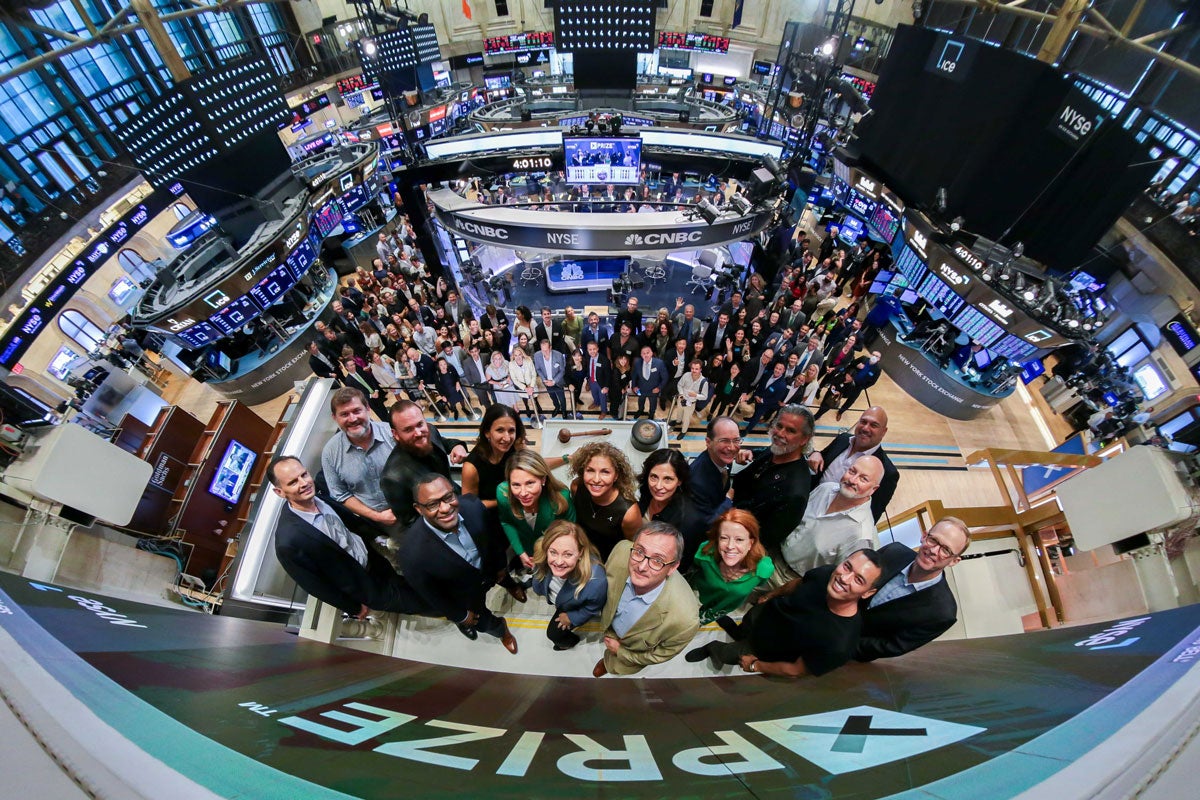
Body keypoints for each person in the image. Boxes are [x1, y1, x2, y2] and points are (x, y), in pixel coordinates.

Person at [685, 549, 884, 678]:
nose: (844, 578)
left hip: (765, 651)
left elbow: (796, 670)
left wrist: (756, 665)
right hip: (763, 616)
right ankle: (738, 632)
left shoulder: (840, 642)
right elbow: (798, 583)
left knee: (730, 653)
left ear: (868, 592)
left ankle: (713, 649)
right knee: (744, 626)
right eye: (847, 566)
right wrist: (771, 595)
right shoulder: (827, 573)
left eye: (858, 580)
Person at [269, 456, 427, 618]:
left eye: (304, 475)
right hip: (366, 588)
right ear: (280, 492)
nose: (304, 483)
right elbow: (314, 585)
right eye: (293, 482)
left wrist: (379, 538)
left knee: (416, 588)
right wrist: (353, 607)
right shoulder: (288, 542)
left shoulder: (321, 497)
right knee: (424, 604)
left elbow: (350, 523)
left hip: (377, 562)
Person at [399, 474, 520, 652]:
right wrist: (460, 616)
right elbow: (431, 594)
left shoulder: (473, 506)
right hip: (465, 597)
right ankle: (501, 631)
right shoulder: (411, 554)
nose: (446, 508)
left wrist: (501, 567)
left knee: (505, 578)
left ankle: (511, 586)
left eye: (448, 497)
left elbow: (492, 540)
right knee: (484, 623)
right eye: (433, 504)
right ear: (419, 509)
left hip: (491, 570)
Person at [594, 522, 701, 677]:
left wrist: (621, 652)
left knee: (617, 667)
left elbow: (660, 654)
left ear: (672, 567)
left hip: (631, 652)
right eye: (639, 551)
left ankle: (610, 666)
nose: (642, 567)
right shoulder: (621, 551)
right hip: (610, 629)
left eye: (657, 560)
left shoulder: (685, 621)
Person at [858, 518, 970, 661]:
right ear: (924, 536)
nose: (934, 551)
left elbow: (893, 646)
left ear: (954, 561)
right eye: (934, 540)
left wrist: (843, 646)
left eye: (946, 550)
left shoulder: (942, 613)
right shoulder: (893, 552)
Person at [776, 456, 883, 582]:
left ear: (873, 489)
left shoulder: (861, 536)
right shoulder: (825, 489)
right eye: (852, 471)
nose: (853, 480)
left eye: (863, 479)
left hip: (788, 580)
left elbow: (835, 578)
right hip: (772, 554)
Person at [732, 405, 814, 550]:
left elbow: (766, 539)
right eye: (779, 426)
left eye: (790, 431)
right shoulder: (777, 451)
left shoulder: (795, 493)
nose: (780, 433)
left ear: (804, 439)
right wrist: (748, 452)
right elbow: (763, 453)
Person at [320, 387, 398, 534]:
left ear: (367, 408)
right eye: (344, 414)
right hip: (377, 523)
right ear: (334, 418)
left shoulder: (392, 433)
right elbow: (340, 494)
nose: (353, 419)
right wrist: (378, 517)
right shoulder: (330, 453)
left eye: (357, 411)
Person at [380, 401, 469, 527]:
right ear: (396, 434)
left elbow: (442, 442)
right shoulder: (392, 478)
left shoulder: (430, 430)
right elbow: (410, 521)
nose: (418, 433)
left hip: (456, 497)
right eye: (408, 429)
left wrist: (457, 445)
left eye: (420, 424)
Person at [809, 406, 899, 523]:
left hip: (829, 524)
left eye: (874, 425)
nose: (866, 428)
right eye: (863, 422)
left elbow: (871, 515)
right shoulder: (843, 439)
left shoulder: (887, 472)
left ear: (884, 431)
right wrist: (816, 453)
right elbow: (821, 458)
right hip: (807, 504)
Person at [530, 520, 608, 651]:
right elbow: (539, 574)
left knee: (554, 634)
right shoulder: (542, 554)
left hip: (570, 609)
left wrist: (572, 617)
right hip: (559, 599)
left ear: (580, 553)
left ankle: (568, 642)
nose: (559, 562)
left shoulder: (595, 581)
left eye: (568, 554)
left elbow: (593, 607)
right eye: (553, 552)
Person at [688, 508, 774, 624]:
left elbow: (760, 582)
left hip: (716, 611)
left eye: (739, 539)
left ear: (750, 543)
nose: (730, 546)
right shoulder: (705, 555)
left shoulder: (763, 570)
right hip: (692, 599)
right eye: (724, 538)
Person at [496, 450, 576, 569]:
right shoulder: (503, 494)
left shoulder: (561, 498)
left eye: (530, 483)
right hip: (526, 549)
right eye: (516, 485)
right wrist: (520, 552)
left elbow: (570, 533)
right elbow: (507, 522)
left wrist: (550, 558)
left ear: (543, 479)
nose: (523, 493)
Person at [569, 441, 642, 560]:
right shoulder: (576, 487)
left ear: (616, 476)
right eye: (590, 470)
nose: (596, 479)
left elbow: (634, 547)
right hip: (579, 553)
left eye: (605, 472)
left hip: (607, 562)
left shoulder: (629, 513)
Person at [636, 449, 705, 572]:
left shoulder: (689, 520)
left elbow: (682, 564)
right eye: (654, 477)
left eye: (668, 479)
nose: (658, 486)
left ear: (679, 481)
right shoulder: (646, 494)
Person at [461, 404, 525, 510]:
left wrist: (562, 459)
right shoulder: (471, 468)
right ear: (487, 432)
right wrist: (505, 500)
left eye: (511, 430)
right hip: (490, 518)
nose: (507, 438)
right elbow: (469, 507)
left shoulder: (517, 446)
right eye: (500, 430)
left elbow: (534, 464)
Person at [689, 416, 745, 524]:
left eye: (736, 440)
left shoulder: (721, 457)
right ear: (708, 442)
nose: (732, 448)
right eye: (724, 441)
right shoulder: (696, 482)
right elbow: (706, 522)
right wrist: (728, 500)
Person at [742, 361, 789, 435]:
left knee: (757, 416)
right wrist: (756, 395)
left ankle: (747, 430)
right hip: (758, 398)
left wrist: (763, 400)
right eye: (776, 368)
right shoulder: (769, 373)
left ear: (783, 371)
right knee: (756, 411)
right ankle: (752, 418)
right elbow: (761, 384)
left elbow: (776, 399)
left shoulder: (782, 385)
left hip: (766, 404)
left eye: (780, 369)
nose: (777, 370)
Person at [833, 351, 882, 421]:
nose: (874, 357)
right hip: (849, 381)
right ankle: (835, 401)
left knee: (851, 400)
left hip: (859, 386)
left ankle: (840, 412)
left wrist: (863, 387)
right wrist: (857, 365)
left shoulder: (877, 369)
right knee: (841, 392)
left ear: (879, 359)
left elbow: (873, 382)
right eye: (873, 354)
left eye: (877, 356)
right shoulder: (863, 359)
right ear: (870, 355)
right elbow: (852, 363)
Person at [671, 359, 710, 439]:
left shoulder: (704, 382)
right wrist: (681, 394)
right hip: (681, 399)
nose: (694, 371)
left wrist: (696, 395)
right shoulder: (686, 375)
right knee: (679, 412)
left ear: (700, 369)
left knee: (686, 419)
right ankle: (678, 421)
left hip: (691, 403)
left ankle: (683, 431)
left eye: (696, 369)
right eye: (692, 368)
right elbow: (679, 385)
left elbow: (705, 396)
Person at [534, 337, 568, 418]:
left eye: (546, 350)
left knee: (562, 398)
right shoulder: (537, 355)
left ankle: (564, 410)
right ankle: (557, 407)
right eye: (542, 350)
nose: (544, 352)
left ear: (550, 347)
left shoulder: (559, 355)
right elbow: (538, 369)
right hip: (547, 383)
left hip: (558, 382)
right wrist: (544, 379)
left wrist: (554, 381)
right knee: (553, 397)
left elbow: (562, 371)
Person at [630, 344, 667, 418]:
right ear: (641, 354)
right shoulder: (637, 362)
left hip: (653, 390)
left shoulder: (659, 363)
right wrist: (634, 386)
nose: (646, 355)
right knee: (640, 401)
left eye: (648, 352)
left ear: (651, 353)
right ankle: (640, 410)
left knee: (653, 403)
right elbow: (634, 376)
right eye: (643, 353)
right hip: (641, 389)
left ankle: (651, 414)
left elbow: (665, 377)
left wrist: (659, 388)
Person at [583, 340, 612, 419]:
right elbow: (587, 369)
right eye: (590, 349)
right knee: (594, 394)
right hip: (592, 381)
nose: (592, 351)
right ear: (587, 350)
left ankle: (604, 411)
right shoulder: (587, 357)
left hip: (601, 383)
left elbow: (608, 375)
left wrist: (606, 386)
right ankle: (596, 403)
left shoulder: (604, 360)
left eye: (594, 349)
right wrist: (588, 380)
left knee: (602, 398)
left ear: (597, 349)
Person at [609, 353, 633, 419]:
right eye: (621, 359)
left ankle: (619, 412)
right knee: (614, 402)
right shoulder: (616, 370)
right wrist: (621, 389)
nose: (623, 361)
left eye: (625, 359)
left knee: (620, 401)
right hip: (615, 390)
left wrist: (627, 386)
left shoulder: (627, 369)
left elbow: (629, 378)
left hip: (623, 389)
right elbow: (616, 382)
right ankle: (613, 413)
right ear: (618, 360)